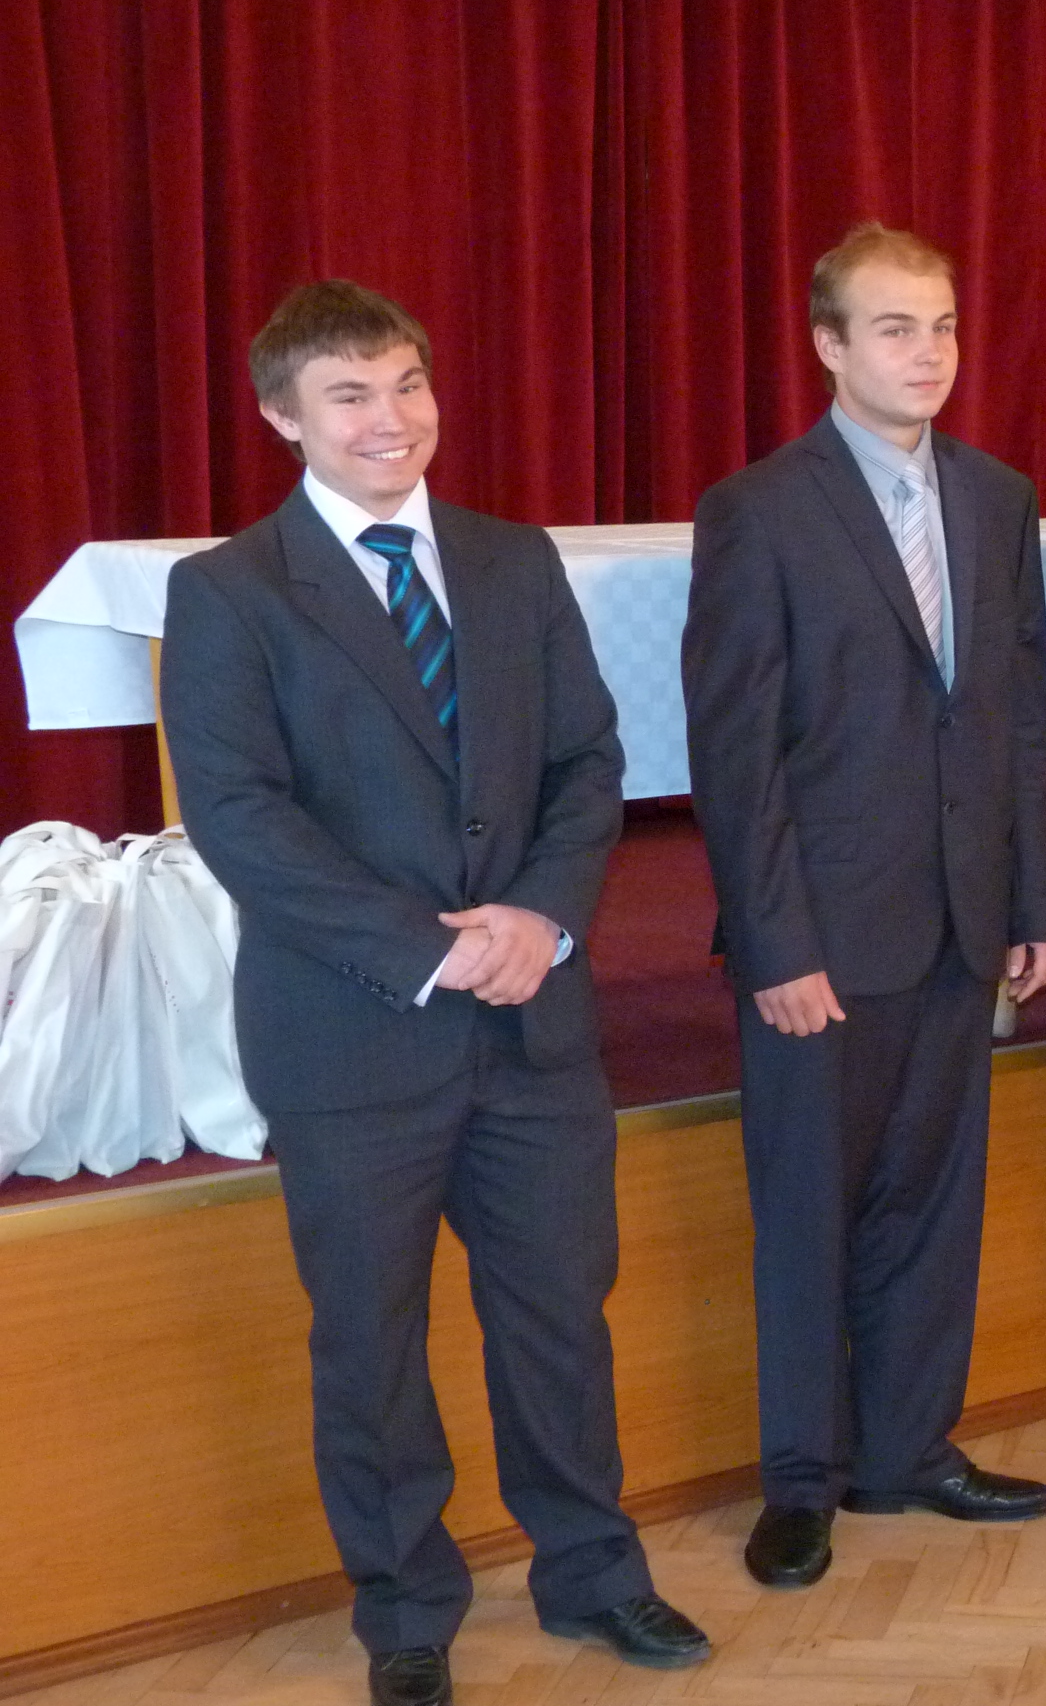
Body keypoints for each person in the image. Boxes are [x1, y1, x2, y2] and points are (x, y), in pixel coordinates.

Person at [160, 281, 710, 1706]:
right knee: (373, 1343)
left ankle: (594, 1572)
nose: (389, 418)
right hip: (353, 1036)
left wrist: (540, 916)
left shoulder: (513, 560)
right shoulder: (228, 591)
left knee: (558, 1319)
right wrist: (430, 946)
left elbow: (588, 764)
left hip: (533, 1023)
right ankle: (404, 1611)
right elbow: (240, 816)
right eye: (349, 395)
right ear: (282, 416)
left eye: (406, 383)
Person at [683, 223, 1046, 1590]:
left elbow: (1015, 713)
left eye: (943, 325)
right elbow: (736, 754)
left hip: (962, 919)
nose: (928, 352)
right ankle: (802, 1480)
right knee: (810, 1211)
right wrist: (774, 943)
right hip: (824, 940)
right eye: (895, 327)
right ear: (830, 345)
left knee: (933, 1199)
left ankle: (910, 1448)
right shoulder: (760, 509)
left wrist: (1033, 894)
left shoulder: (998, 497)